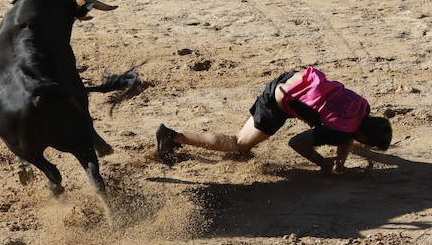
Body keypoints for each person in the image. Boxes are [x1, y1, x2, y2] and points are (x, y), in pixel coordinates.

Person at [155, 66, 393, 174]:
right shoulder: (343, 132)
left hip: (293, 77)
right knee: (239, 145)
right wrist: (322, 162)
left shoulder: (363, 107)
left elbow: (346, 133)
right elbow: (297, 143)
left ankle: (175, 139)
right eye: (369, 144)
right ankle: (173, 136)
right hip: (278, 101)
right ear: (364, 136)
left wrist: (341, 161)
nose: (367, 147)